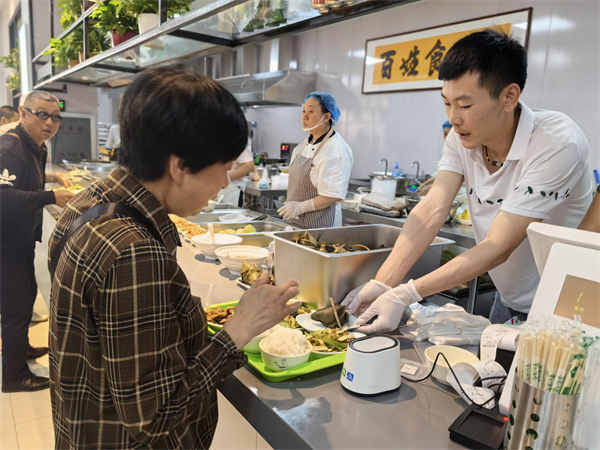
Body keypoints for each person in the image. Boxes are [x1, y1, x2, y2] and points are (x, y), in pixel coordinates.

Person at [48, 68, 301, 449]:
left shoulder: (92, 201)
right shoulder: (132, 251)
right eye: (224, 168)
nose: (224, 183)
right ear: (179, 166)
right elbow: (155, 418)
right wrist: (239, 329)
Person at [342, 30, 593, 333]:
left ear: (509, 96)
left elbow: (499, 245)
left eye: (465, 104)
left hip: (563, 311)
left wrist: (406, 293)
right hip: (508, 297)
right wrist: (383, 282)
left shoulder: (556, 142)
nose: (453, 118)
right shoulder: (464, 139)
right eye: (447, 103)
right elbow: (433, 208)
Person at [0, 91, 75, 393]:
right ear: (23, 113)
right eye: (41, 114)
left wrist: (52, 179)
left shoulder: (33, 146)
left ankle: (22, 349)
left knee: (28, 294)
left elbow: (22, 180)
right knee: (16, 308)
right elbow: (2, 196)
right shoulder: (10, 147)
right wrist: (52, 197)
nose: (49, 122)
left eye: (55, 116)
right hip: (5, 244)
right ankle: (14, 377)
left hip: (19, 240)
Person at [278, 91, 354, 228]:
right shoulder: (301, 147)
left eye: (311, 112)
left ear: (327, 117)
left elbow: (332, 196)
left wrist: (299, 207)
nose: (304, 117)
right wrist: (294, 207)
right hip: (293, 224)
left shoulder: (336, 150)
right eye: (303, 111)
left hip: (321, 228)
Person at [417, 120, 454, 196]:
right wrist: (424, 185)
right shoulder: (449, 152)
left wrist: (432, 187)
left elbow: (451, 178)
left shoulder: (464, 153)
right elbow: (440, 174)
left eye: (448, 134)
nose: (445, 138)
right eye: (445, 134)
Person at [218, 128, 255, 206]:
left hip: (230, 190)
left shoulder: (237, 137)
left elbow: (248, 165)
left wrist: (224, 179)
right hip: (214, 187)